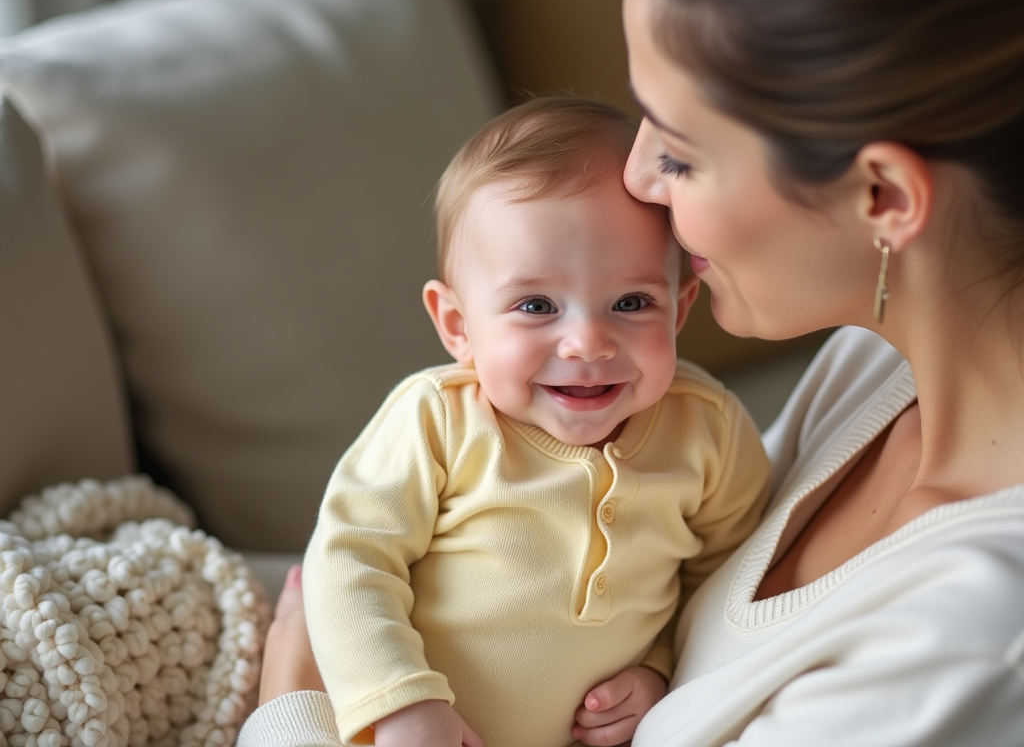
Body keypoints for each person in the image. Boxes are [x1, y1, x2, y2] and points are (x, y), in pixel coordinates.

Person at [239, 0, 1024, 744]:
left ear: (883, 197)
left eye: (681, 150)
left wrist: (290, 707)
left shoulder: (997, 656)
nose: (635, 180)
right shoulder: (888, 362)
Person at [299, 96, 770, 747]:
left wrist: (660, 671)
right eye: (537, 305)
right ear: (458, 326)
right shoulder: (437, 420)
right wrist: (401, 702)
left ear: (679, 309)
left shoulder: (710, 433)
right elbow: (349, 558)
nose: (587, 343)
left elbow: (727, 589)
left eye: (631, 302)